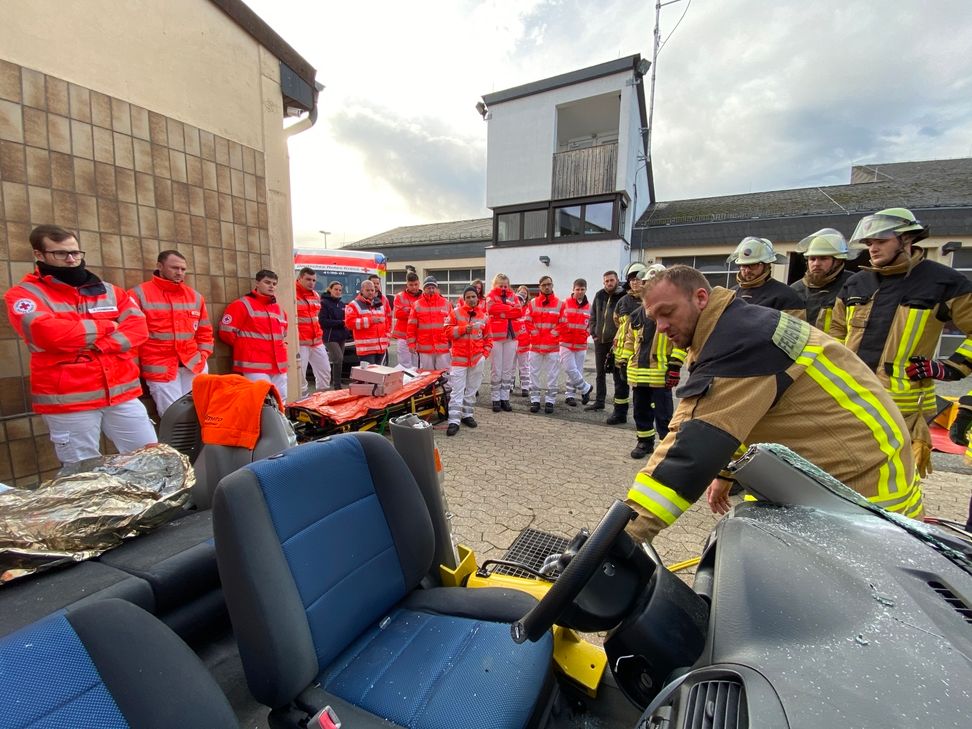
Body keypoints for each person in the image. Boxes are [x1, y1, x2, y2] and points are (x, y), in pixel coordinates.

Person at [621, 265, 922, 543]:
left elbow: (688, 453)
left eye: (667, 312)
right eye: (653, 319)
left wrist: (618, 540)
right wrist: (727, 472)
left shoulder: (740, 342)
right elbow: (746, 414)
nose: (660, 327)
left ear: (700, 298)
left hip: (862, 498)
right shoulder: (736, 325)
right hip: (854, 475)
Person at [831, 207, 972, 477]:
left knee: (892, 476)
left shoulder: (943, 282)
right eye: (869, 242)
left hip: (902, 408)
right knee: (845, 471)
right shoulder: (857, 283)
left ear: (906, 240)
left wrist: (950, 367)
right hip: (849, 398)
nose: (872, 248)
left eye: (881, 241)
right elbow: (836, 331)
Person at [4, 225, 156, 465]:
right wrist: (108, 325)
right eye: (61, 254)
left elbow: (139, 329)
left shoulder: (109, 291)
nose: (72, 259)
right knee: (82, 472)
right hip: (69, 400)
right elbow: (49, 335)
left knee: (150, 457)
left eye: (76, 252)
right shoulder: (24, 295)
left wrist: (100, 345)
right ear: (39, 255)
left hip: (121, 393)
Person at [129, 250, 214, 416]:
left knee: (202, 414)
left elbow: (205, 331)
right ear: (160, 266)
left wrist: (203, 355)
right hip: (161, 368)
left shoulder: (195, 297)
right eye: (175, 268)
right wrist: (133, 369)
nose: (180, 272)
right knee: (172, 417)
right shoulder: (138, 294)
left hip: (193, 365)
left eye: (183, 269)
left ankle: (198, 443)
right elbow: (131, 336)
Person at [616, 265, 686, 459]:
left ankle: (665, 447)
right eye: (647, 285)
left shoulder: (673, 312)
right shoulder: (637, 314)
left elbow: (681, 342)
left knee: (664, 415)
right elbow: (628, 340)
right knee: (640, 410)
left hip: (661, 373)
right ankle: (644, 442)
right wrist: (622, 361)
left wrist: (675, 366)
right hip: (638, 373)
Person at [219, 269, 289, 398]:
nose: (271, 286)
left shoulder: (279, 309)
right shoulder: (241, 305)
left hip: (279, 365)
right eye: (267, 282)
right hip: (254, 365)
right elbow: (226, 333)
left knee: (281, 400)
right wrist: (247, 347)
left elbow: (283, 334)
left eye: (274, 283)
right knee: (262, 401)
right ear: (257, 283)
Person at [445, 286, 492, 436]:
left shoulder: (484, 317)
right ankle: (453, 421)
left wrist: (484, 355)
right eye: (468, 297)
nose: (471, 299)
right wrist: (465, 329)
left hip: (477, 359)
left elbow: (489, 339)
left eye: (473, 296)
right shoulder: (455, 313)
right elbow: (446, 332)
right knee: (457, 391)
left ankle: (467, 415)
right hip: (459, 360)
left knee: (472, 390)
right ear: (464, 299)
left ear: (478, 298)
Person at [790, 229, 855, 336]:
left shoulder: (853, 285)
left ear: (838, 260)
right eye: (812, 259)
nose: (816, 264)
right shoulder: (795, 290)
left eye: (823, 258)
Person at [607, 262, 647, 425]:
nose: (634, 282)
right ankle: (619, 414)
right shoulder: (623, 301)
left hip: (641, 353)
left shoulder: (649, 300)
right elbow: (618, 323)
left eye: (637, 279)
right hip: (621, 352)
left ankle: (644, 421)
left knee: (640, 390)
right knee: (620, 386)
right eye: (631, 279)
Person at [728, 237, 806, 319]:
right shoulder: (732, 293)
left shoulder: (787, 296)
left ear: (766, 265)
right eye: (743, 265)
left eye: (753, 265)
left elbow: (793, 330)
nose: (747, 270)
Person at [586, 270, 625, 412]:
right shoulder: (599, 295)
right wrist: (594, 334)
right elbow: (593, 316)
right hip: (600, 341)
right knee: (600, 373)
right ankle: (599, 401)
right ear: (604, 282)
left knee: (617, 375)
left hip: (616, 343)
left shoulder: (623, 296)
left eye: (611, 280)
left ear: (617, 280)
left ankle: (618, 406)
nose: (609, 283)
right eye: (606, 281)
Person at [525, 275, 563, 414]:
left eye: (549, 284)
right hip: (535, 346)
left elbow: (563, 323)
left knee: (552, 375)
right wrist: (534, 332)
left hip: (552, 347)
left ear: (552, 286)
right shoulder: (533, 303)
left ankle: (550, 401)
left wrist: (553, 333)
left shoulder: (560, 304)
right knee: (533, 373)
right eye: (544, 285)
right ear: (540, 286)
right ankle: (535, 400)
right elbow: (527, 321)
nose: (547, 287)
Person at [485, 273, 523, 412]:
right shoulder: (490, 296)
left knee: (508, 369)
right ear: (495, 285)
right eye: (500, 285)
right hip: (496, 337)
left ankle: (504, 398)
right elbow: (491, 309)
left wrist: (502, 311)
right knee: (496, 369)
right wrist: (508, 309)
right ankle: (495, 398)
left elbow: (519, 312)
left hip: (511, 337)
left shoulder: (513, 296)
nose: (503, 287)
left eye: (505, 285)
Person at [294, 267, 331, 396]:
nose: (311, 282)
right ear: (300, 278)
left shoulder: (315, 295)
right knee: (300, 375)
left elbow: (315, 318)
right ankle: (302, 399)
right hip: (300, 342)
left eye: (314, 280)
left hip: (316, 340)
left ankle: (321, 398)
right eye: (308, 279)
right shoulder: (292, 293)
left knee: (325, 370)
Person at [559, 278, 594, 406]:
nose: (579, 291)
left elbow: (592, 324)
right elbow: (558, 320)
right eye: (577, 289)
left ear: (586, 290)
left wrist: (586, 333)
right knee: (569, 368)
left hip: (581, 344)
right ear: (573, 289)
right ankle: (585, 388)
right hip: (565, 342)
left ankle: (570, 395)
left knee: (577, 370)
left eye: (582, 289)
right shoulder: (564, 304)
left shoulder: (589, 307)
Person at [407, 277, 451, 373]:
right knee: (427, 375)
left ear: (437, 288)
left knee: (444, 373)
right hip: (425, 347)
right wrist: (411, 344)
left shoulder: (446, 303)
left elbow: (451, 325)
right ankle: (430, 389)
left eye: (433, 287)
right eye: (428, 287)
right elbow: (411, 326)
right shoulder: (417, 305)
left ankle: (445, 389)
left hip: (442, 346)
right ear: (424, 288)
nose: (431, 290)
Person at [344, 279, 390, 365]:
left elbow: (386, 322)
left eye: (372, 290)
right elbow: (349, 323)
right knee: (369, 377)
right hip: (366, 350)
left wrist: (387, 336)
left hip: (381, 348)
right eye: (367, 290)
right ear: (362, 290)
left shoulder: (379, 304)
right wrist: (370, 320)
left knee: (379, 376)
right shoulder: (354, 305)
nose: (370, 292)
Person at [319, 281, 349, 389]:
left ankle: (338, 383)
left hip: (342, 335)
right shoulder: (324, 303)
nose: (338, 292)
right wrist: (341, 322)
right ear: (330, 289)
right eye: (335, 289)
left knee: (339, 361)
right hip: (330, 336)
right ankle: (335, 385)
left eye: (340, 290)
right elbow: (322, 321)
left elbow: (347, 319)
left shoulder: (342, 304)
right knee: (338, 358)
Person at [391, 271, 422, 369]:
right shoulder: (400, 296)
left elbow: (425, 314)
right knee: (404, 365)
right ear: (407, 284)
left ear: (419, 283)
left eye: (416, 284)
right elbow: (398, 313)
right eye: (411, 285)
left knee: (418, 365)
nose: (414, 287)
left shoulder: (423, 296)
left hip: (419, 336)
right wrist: (415, 311)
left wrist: (408, 310)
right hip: (403, 336)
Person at [515, 286, 532, 396]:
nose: (520, 301)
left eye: (524, 295)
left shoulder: (528, 310)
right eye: (520, 295)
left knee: (524, 366)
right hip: (512, 343)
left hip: (524, 343)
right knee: (510, 367)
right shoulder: (511, 311)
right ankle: (510, 386)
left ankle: (525, 386)